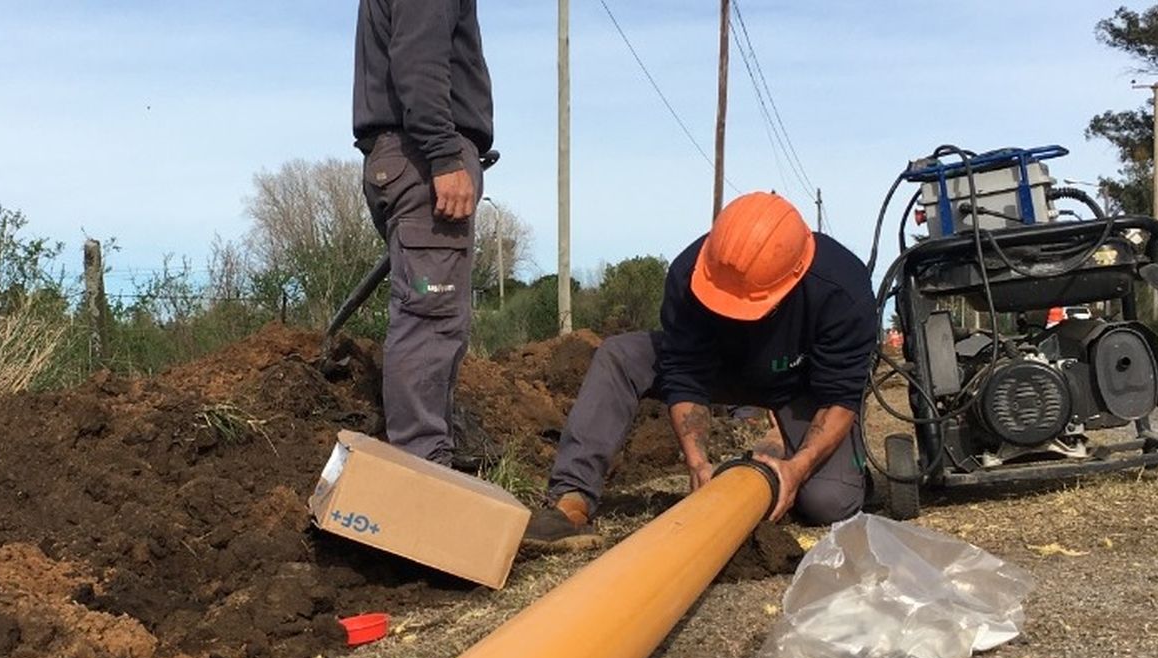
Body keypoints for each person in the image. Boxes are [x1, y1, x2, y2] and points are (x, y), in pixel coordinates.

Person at [524, 192, 876, 551]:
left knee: (830, 502)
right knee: (620, 355)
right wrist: (697, 461)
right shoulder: (689, 271)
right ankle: (571, 499)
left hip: (799, 383)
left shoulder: (841, 288)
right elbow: (684, 371)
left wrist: (797, 469)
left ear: (794, 277)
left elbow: (838, 397)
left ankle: (785, 443)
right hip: (719, 368)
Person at [353, 0, 494, 465]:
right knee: (430, 322)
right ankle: (422, 483)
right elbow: (418, 60)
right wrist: (444, 156)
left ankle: (432, 460)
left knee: (432, 313)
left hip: (407, 162)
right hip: (422, 159)